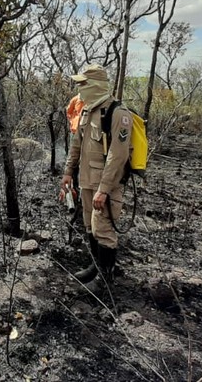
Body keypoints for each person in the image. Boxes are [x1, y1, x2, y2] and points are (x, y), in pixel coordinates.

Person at [58, 64, 132, 294]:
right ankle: (95, 266)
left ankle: (104, 280)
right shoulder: (87, 111)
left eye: (83, 84)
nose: (80, 88)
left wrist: (105, 189)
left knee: (104, 229)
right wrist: (69, 171)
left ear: (96, 85)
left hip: (105, 185)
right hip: (86, 181)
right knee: (90, 224)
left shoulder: (118, 114)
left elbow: (118, 155)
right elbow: (76, 144)